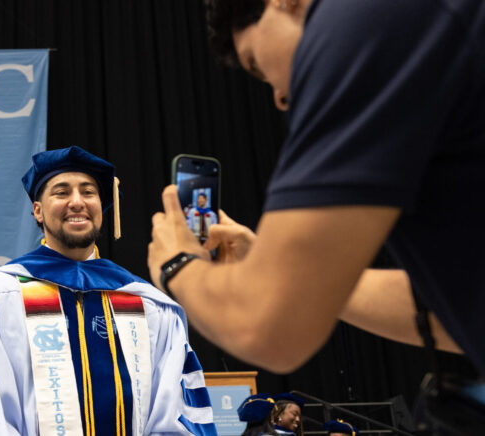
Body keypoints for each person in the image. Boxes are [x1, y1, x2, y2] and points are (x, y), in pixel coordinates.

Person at [147, 0, 485, 379]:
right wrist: (306, 278)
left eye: (257, 64)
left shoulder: (361, 22)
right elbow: (452, 313)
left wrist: (176, 264)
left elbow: (268, 329)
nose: (277, 96)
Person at [0, 146, 217, 435]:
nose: (77, 202)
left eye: (88, 192)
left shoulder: (147, 303)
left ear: (101, 209)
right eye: (61, 192)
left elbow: (176, 413)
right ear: (38, 211)